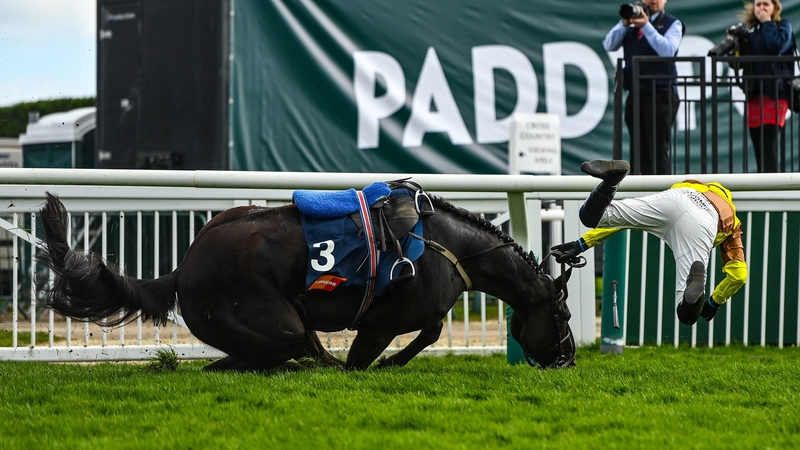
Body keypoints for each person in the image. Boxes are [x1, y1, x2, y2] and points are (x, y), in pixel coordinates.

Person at [551, 160, 748, 325]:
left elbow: (621, 224)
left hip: (676, 197)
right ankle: (693, 288)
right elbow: (739, 276)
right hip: (704, 222)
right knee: (687, 315)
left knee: (592, 216)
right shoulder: (734, 221)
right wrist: (714, 302)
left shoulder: (697, 185)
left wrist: (581, 244)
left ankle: (611, 182)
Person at [604, 0, 685, 175]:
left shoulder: (673, 23)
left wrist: (647, 26)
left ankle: (664, 194)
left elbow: (668, 51)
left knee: (657, 149)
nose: (654, 1)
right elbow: (609, 44)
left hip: (661, 92)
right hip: (636, 92)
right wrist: (625, 23)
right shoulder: (631, 25)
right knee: (638, 151)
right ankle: (643, 195)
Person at [736, 0, 794, 172]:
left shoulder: (783, 25)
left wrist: (768, 22)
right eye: (758, 4)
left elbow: (777, 45)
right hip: (755, 93)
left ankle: (772, 187)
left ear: (774, 8)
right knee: (758, 145)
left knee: (768, 144)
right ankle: (763, 181)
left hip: (776, 92)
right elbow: (739, 64)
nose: (761, 8)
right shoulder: (751, 32)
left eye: (766, 4)